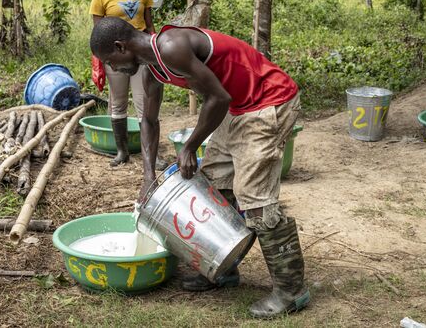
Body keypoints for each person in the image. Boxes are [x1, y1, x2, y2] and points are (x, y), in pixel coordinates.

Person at [90, 17, 310, 319]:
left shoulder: (171, 47)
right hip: (237, 107)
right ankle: (224, 268)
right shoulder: (152, 70)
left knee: (255, 198)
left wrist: (191, 147)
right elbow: (149, 122)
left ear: (120, 46)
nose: (113, 68)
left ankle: (291, 290)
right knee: (213, 188)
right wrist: (148, 175)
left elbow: (219, 97)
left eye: (109, 61)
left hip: (267, 99)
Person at [90, 0, 165, 170]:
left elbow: (150, 24)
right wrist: (103, 60)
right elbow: (99, 33)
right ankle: (122, 152)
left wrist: (155, 51)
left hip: (141, 55)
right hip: (116, 57)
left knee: (145, 104)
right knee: (118, 103)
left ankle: (151, 155)